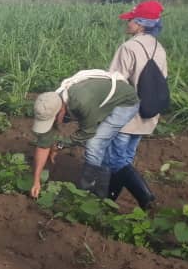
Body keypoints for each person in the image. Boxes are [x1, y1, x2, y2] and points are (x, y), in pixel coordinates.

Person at [29, 70, 140, 200]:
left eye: (52, 120)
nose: (51, 123)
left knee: (94, 143)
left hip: (125, 102)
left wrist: (60, 145)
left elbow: (88, 131)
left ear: (61, 110)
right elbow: (43, 143)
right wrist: (36, 181)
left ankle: (88, 193)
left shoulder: (81, 102)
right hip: (97, 102)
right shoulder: (50, 102)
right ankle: (102, 190)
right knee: (103, 148)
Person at [104, 0, 167, 209]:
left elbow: (116, 82)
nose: (127, 22)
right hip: (147, 113)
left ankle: (145, 196)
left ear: (141, 24)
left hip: (126, 113)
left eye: (131, 19)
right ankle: (108, 199)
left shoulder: (128, 47)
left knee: (114, 159)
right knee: (124, 158)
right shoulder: (159, 47)